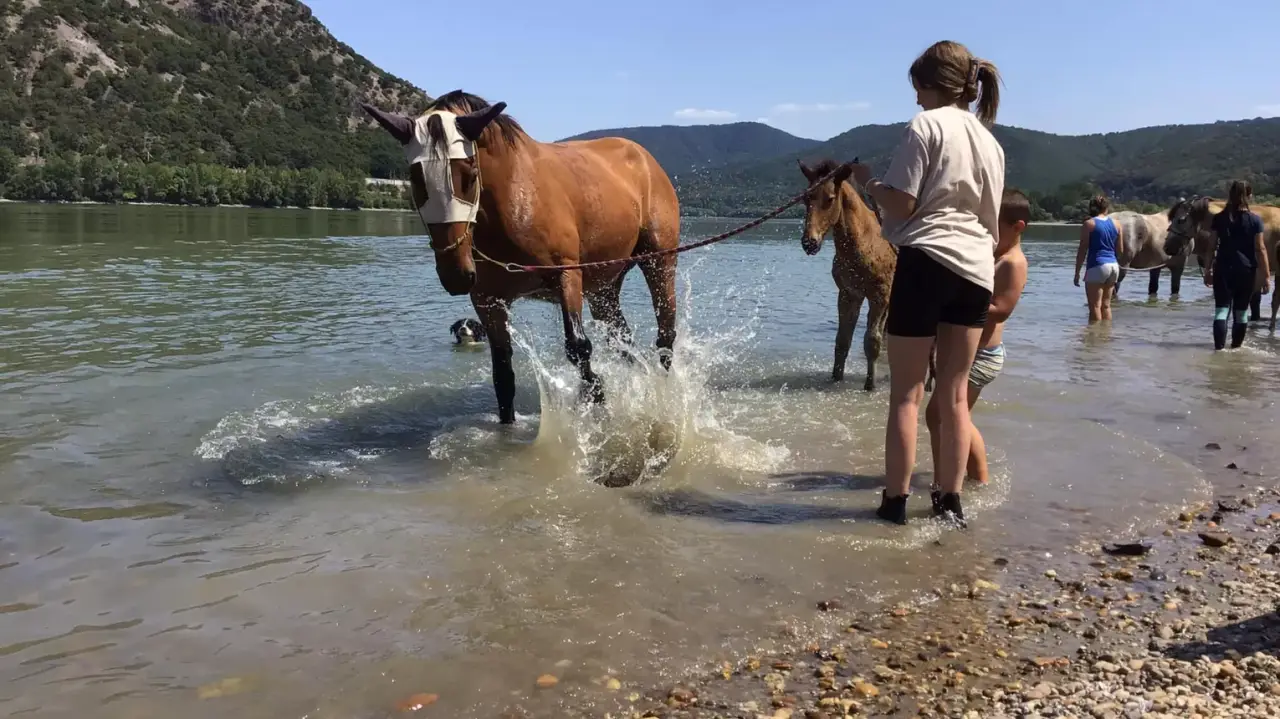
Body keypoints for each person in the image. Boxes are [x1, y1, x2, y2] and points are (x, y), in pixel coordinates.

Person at [850, 40, 1005, 527]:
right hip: (976, 270)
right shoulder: (991, 141)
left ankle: (895, 503)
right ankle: (948, 503)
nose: (915, 99)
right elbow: (989, 217)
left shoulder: (925, 126)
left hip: (926, 261)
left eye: (917, 88)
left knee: (906, 395)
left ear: (931, 83)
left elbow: (902, 205)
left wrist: (869, 184)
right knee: (955, 396)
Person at [925, 188, 1029, 492]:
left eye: (994, 226)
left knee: (944, 415)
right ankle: (967, 478)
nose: (988, 232)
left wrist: (958, 298)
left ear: (1017, 227)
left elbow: (1002, 310)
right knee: (954, 416)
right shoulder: (996, 256)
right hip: (971, 352)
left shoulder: (1013, 263)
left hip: (983, 355)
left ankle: (968, 478)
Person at [1203, 180, 1271, 350]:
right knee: (1241, 312)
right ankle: (1235, 350)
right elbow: (1260, 249)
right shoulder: (1255, 220)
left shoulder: (1219, 218)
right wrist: (1266, 276)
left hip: (1223, 269)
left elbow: (1211, 246)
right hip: (1246, 270)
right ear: (1249, 196)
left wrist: (1207, 269)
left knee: (1221, 310)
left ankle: (1218, 350)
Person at [1073, 195, 1123, 323]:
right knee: (1106, 305)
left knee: (1095, 306)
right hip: (1113, 266)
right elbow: (1121, 250)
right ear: (1106, 208)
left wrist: (1077, 272)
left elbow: (1082, 249)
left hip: (1097, 266)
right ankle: (1105, 336)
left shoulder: (1089, 224)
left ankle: (1095, 338)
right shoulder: (1117, 224)